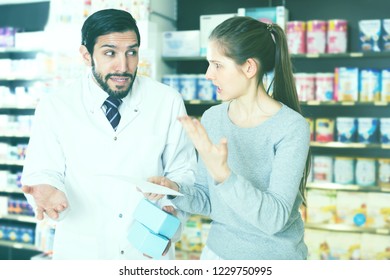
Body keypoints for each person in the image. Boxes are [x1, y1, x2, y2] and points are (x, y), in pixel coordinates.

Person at [21, 8, 196, 260]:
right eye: (110, 53)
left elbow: (184, 171)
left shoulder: (166, 100)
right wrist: (49, 190)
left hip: (146, 250)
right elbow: (41, 171)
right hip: (82, 251)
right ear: (86, 54)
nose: (123, 67)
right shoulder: (56, 105)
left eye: (131, 52)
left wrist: (171, 206)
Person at [147, 16, 311, 260]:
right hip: (217, 255)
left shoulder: (291, 127)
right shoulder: (213, 117)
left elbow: (274, 218)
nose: (208, 75)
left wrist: (224, 176)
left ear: (249, 68)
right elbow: (207, 200)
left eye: (217, 65)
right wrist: (175, 190)